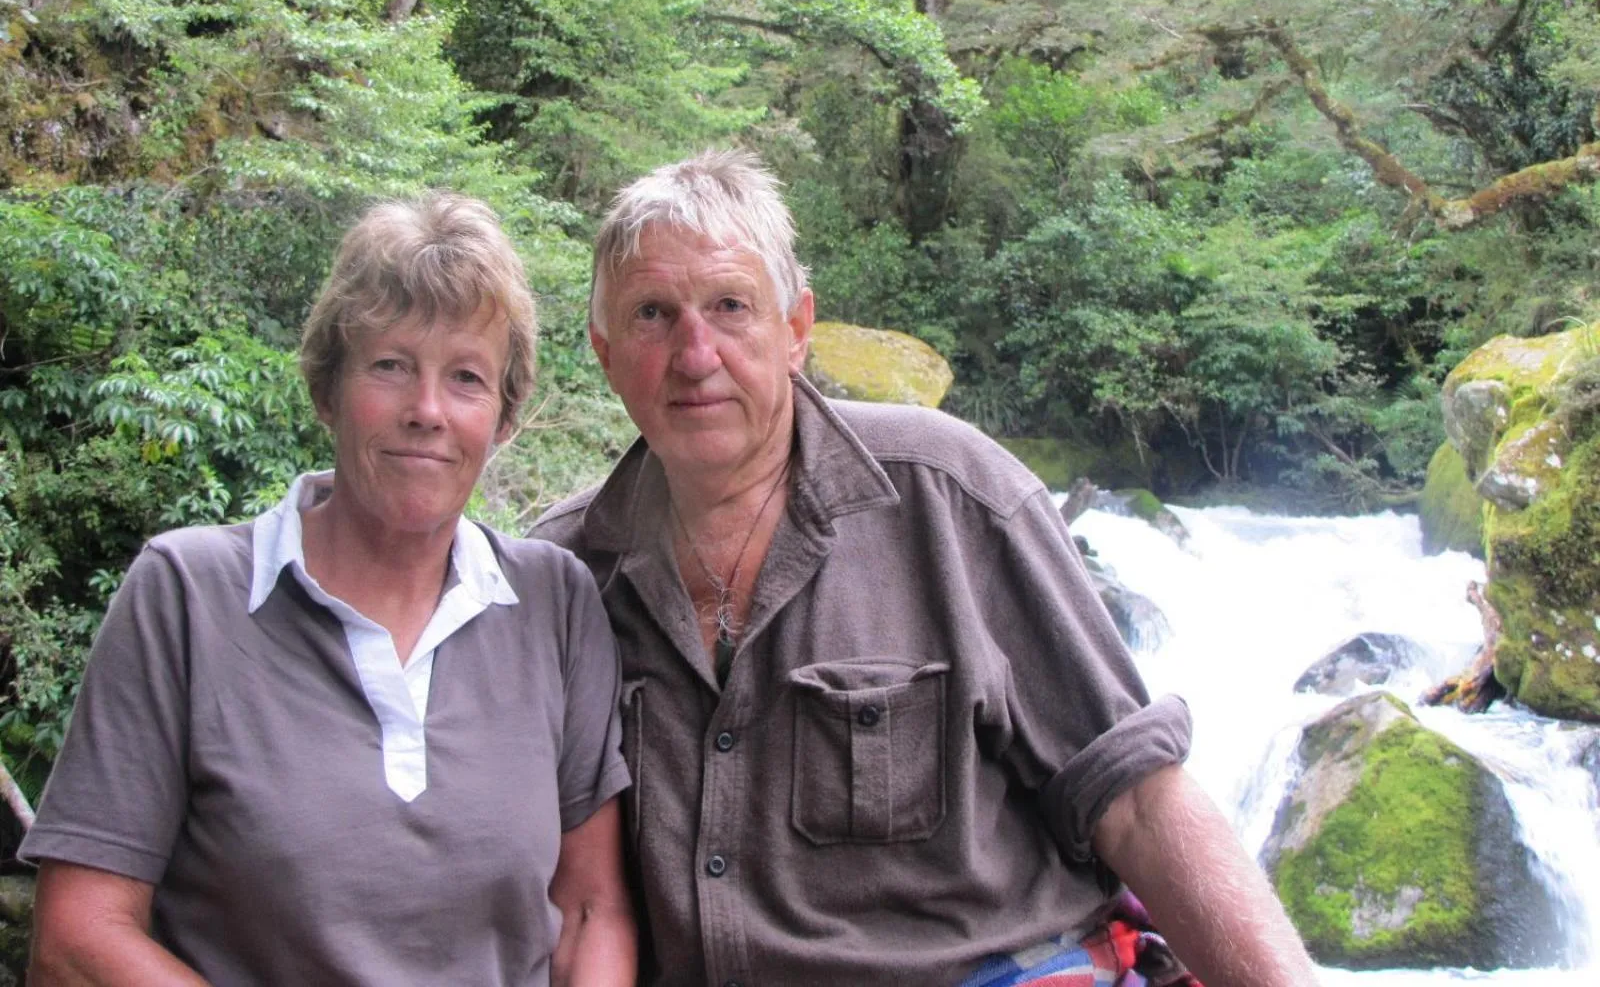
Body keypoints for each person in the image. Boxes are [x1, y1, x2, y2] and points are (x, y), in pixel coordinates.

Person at [532, 149, 1321, 987]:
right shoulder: (561, 576)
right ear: (605, 353)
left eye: (730, 306)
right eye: (652, 314)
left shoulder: (953, 498)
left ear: (795, 329)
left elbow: (1136, 801)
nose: (696, 353)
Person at [22, 194, 636, 986]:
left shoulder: (554, 603)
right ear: (326, 390)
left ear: (503, 417)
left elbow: (589, 911)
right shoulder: (187, 595)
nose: (426, 411)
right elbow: (78, 936)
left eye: (466, 378)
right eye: (390, 366)